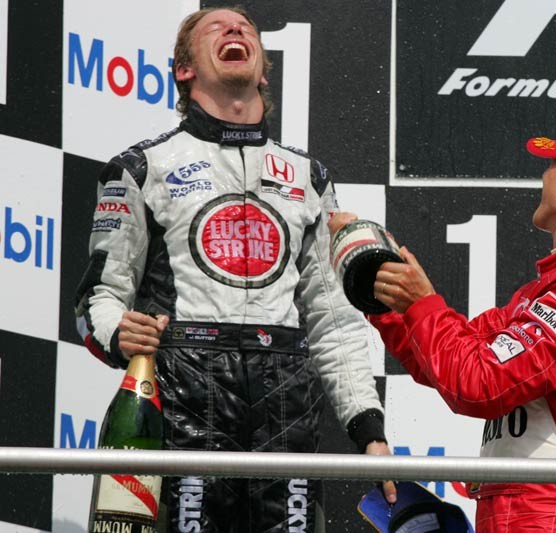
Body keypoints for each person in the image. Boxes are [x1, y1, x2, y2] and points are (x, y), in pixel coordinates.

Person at [75, 7, 394, 532]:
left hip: (286, 396)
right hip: (184, 384)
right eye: (215, 28)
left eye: (246, 28)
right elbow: (96, 300)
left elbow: (333, 320)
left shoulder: (308, 176)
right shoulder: (141, 167)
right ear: (184, 69)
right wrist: (117, 332)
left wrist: (369, 431)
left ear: (264, 70)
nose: (236, 30)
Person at [331, 119, 556, 532]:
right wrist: (386, 292)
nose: (543, 175)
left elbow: (478, 384)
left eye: (551, 164)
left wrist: (422, 302)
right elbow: (447, 360)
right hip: (522, 508)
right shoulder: (552, 291)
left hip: (550, 514)